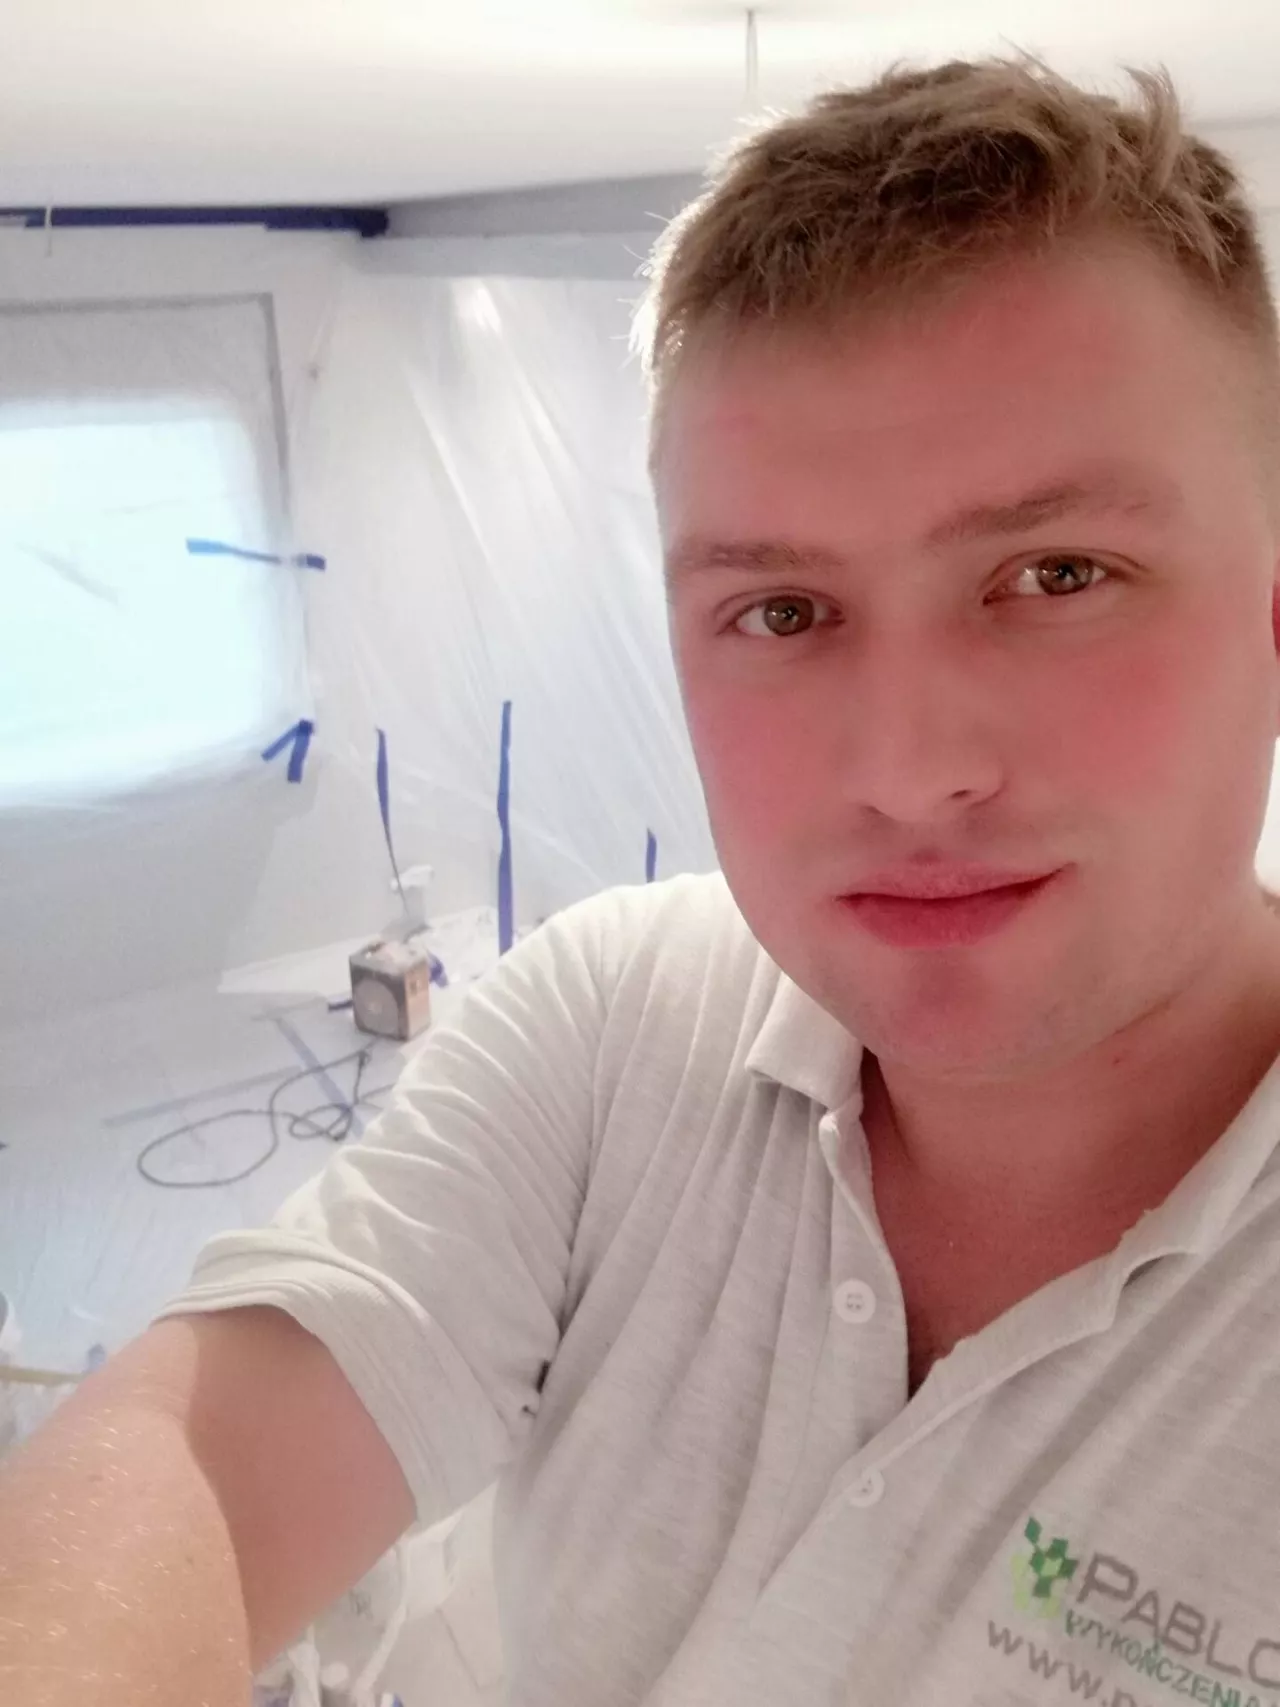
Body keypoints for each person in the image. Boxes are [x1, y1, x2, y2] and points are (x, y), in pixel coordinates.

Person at [6, 54, 1280, 1707]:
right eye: (781, 611)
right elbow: (199, 1461)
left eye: (1055, 574)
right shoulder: (619, 1015)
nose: (908, 769)